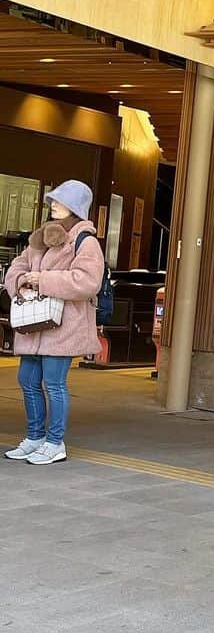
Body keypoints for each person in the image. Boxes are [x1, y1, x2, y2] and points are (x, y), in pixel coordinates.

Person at [3, 181, 105, 465]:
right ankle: (34, 437)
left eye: (59, 201)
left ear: (75, 207)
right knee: (27, 379)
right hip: (34, 324)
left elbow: (87, 281)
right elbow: (17, 267)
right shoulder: (40, 237)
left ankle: (54, 442)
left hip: (63, 326)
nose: (53, 205)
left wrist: (43, 280)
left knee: (54, 383)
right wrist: (21, 281)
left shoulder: (85, 242)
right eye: (52, 201)